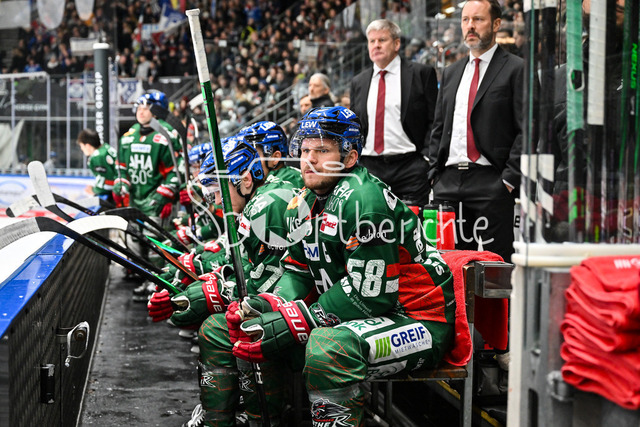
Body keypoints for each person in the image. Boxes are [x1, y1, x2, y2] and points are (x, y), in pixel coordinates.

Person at [220, 106, 455, 426]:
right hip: (363, 312)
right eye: (304, 150)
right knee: (251, 328)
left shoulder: (364, 199)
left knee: (327, 349)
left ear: (350, 157)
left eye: (322, 150)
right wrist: (270, 303)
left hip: (416, 316)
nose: (309, 159)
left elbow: (370, 295)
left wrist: (301, 317)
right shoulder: (302, 200)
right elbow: (297, 269)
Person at [159, 139, 300, 427]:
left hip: (307, 304)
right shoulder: (256, 201)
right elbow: (249, 266)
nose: (216, 201)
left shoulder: (267, 205)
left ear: (245, 180)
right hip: (293, 298)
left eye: (218, 191)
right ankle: (226, 415)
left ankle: (259, 417)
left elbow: (270, 279)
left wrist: (216, 291)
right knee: (217, 325)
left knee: (239, 327)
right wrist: (215, 279)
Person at [428, 0, 523, 262]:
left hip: (492, 181)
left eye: (478, 19)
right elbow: (439, 127)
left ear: (496, 24)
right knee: (447, 263)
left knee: (497, 265)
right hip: (448, 183)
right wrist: (434, 174)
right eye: (465, 20)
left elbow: (526, 130)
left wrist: (508, 180)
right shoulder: (451, 72)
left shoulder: (516, 69)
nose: (470, 26)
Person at [350, 19, 438, 207]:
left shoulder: (421, 74)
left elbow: (435, 119)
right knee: (371, 221)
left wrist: (426, 158)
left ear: (397, 44)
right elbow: (355, 125)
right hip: (369, 167)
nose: (376, 45)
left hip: (410, 167)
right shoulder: (359, 82)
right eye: (372, 41)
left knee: (412, 223)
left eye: (382, 40)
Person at [76, 128, 117, 204]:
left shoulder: (97, 157)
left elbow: (108, 183)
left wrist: (93, 190)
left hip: (114, 198)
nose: (81, 149)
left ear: (87, 146)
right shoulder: (106, 147)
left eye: (81, 146)